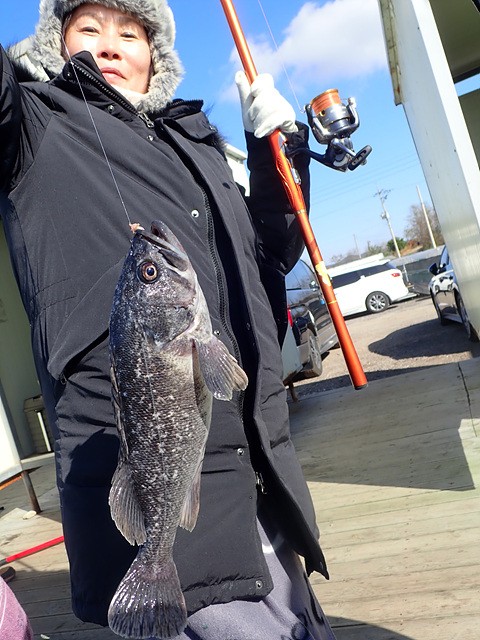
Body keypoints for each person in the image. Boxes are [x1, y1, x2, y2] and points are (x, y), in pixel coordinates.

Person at [0, 1, 336, 638]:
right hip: (175, 523)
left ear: (155, 55)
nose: (109, 44)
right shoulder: (32, 127)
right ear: (53, 44)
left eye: (130, 32)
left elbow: (267, 258)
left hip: (261, 481)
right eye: (88, 28)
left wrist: (275, 156)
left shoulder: (195, 144)